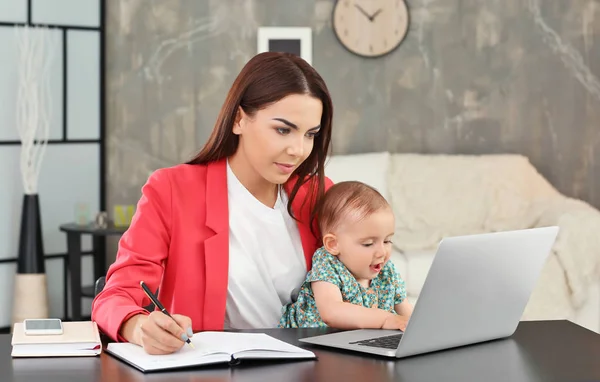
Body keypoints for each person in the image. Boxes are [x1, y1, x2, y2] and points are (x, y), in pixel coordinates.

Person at [91, 52, 334, 355]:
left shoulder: (320, 196)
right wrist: (139, 327)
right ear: (239, 120)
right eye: (283, 130)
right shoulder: (172, 190)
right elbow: (115, 295)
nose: (298, 150)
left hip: (310, 367)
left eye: (310, 134)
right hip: (214, 369)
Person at [279, 181, 414, 330]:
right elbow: (331, 312)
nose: (382, 252)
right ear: (333, 244)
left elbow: (408, 316)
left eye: (387, 241)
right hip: (306, 340)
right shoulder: (328, 264)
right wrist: (386, 319)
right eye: (368, 243)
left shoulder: (387, 271)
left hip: (354, 343)